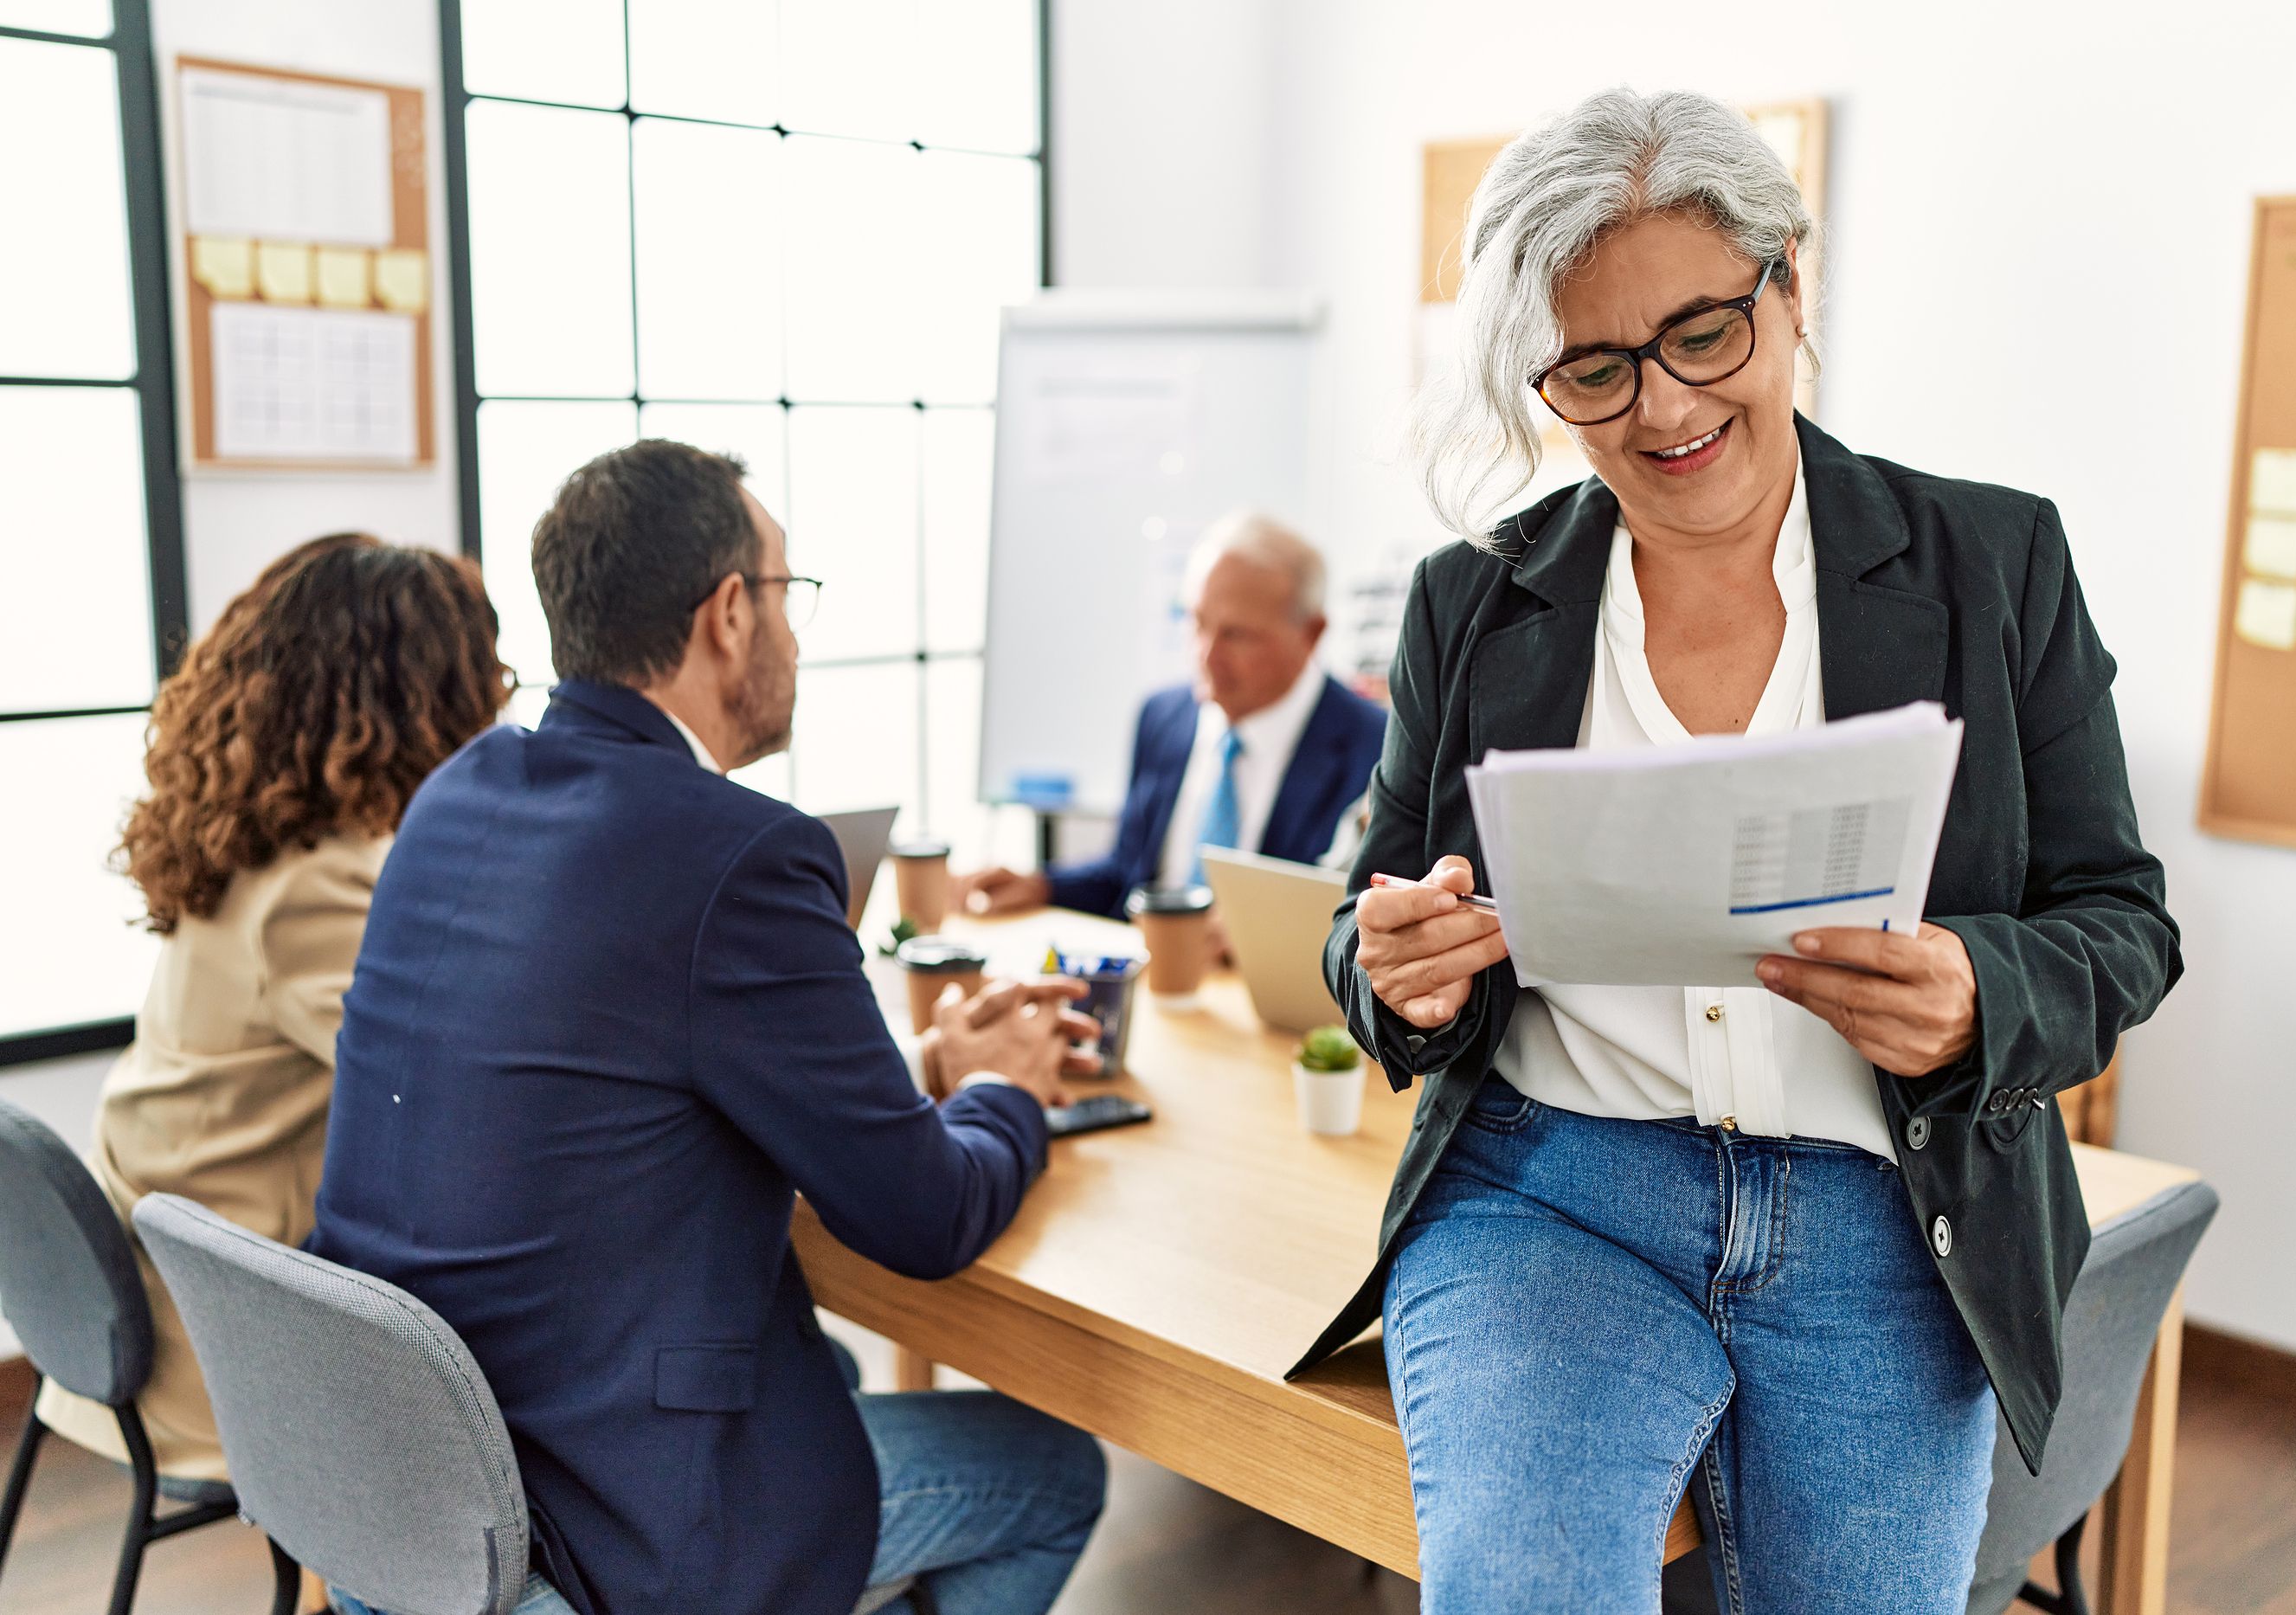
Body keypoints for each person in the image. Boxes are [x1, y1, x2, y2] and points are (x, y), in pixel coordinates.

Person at [1289, 89, 2183, 1614]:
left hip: (1888, 1219)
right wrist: (1400, 971)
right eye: (1593, 367)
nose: (1658, 406)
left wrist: (1982, 988)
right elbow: (1370, 934)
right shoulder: (1472, 604)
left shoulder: (1994, 562)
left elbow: (2122, 923)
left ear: (1788, 287)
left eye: (1703, 332)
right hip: (1552, 1200)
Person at [307, 440, 1108, 1615]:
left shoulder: (459, 791)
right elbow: (926, 1216)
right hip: (599, 1516)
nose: (793, 630)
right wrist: (1010, 1090)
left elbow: (624, 1076)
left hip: (406, 1489)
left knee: (820, 1368)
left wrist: (923, 1066)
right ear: (730, 613)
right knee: (1053, 1470)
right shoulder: (742, 852)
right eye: (787, 595)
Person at [35, 535, 508, 1482]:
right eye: (482, 677)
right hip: (224, 1337)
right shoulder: (320, 884)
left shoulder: (246, 834)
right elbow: (465, 1093)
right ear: (422, 701)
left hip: (154, 1263)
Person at [958, 512, 1386, 920]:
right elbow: (1125, 873)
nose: (1206, 655)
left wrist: (1250, 929)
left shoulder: (1374, 747)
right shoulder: (1163, 718)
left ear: (1310, 635)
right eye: (1196, 623)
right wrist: (1043, 886)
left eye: (1235, 635)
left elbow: (1355, 916)